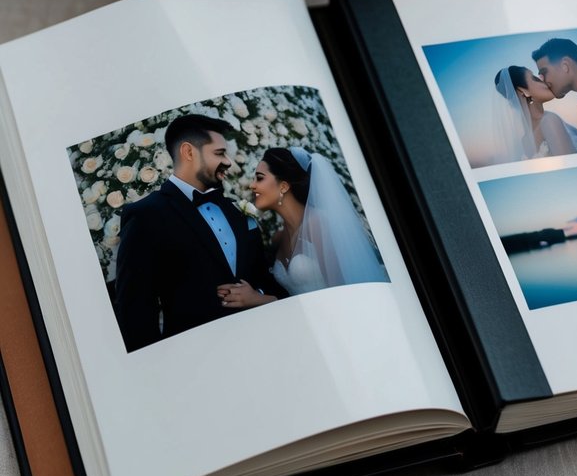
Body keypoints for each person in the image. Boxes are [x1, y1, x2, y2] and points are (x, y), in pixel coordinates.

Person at [114, 113, 276, 351]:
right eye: (219, 153)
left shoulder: (236, 210)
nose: (229, 162)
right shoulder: (145, 215)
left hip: (260, 343)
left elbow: (263, 275)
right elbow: (135, 309)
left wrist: (257, 295)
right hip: (194, 358)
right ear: (189, 152)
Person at [218, 146, 388, 305]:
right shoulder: (278, 238)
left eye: (260, 178)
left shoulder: (318, 225)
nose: (252, 185)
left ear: (283, 186)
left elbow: (343, 295)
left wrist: (260, 300)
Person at [491, 66, 577, 162]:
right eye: (534, 78)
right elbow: (571, 168)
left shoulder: (524, 141)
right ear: (523, 91)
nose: (544, 81)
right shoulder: (549, 121)